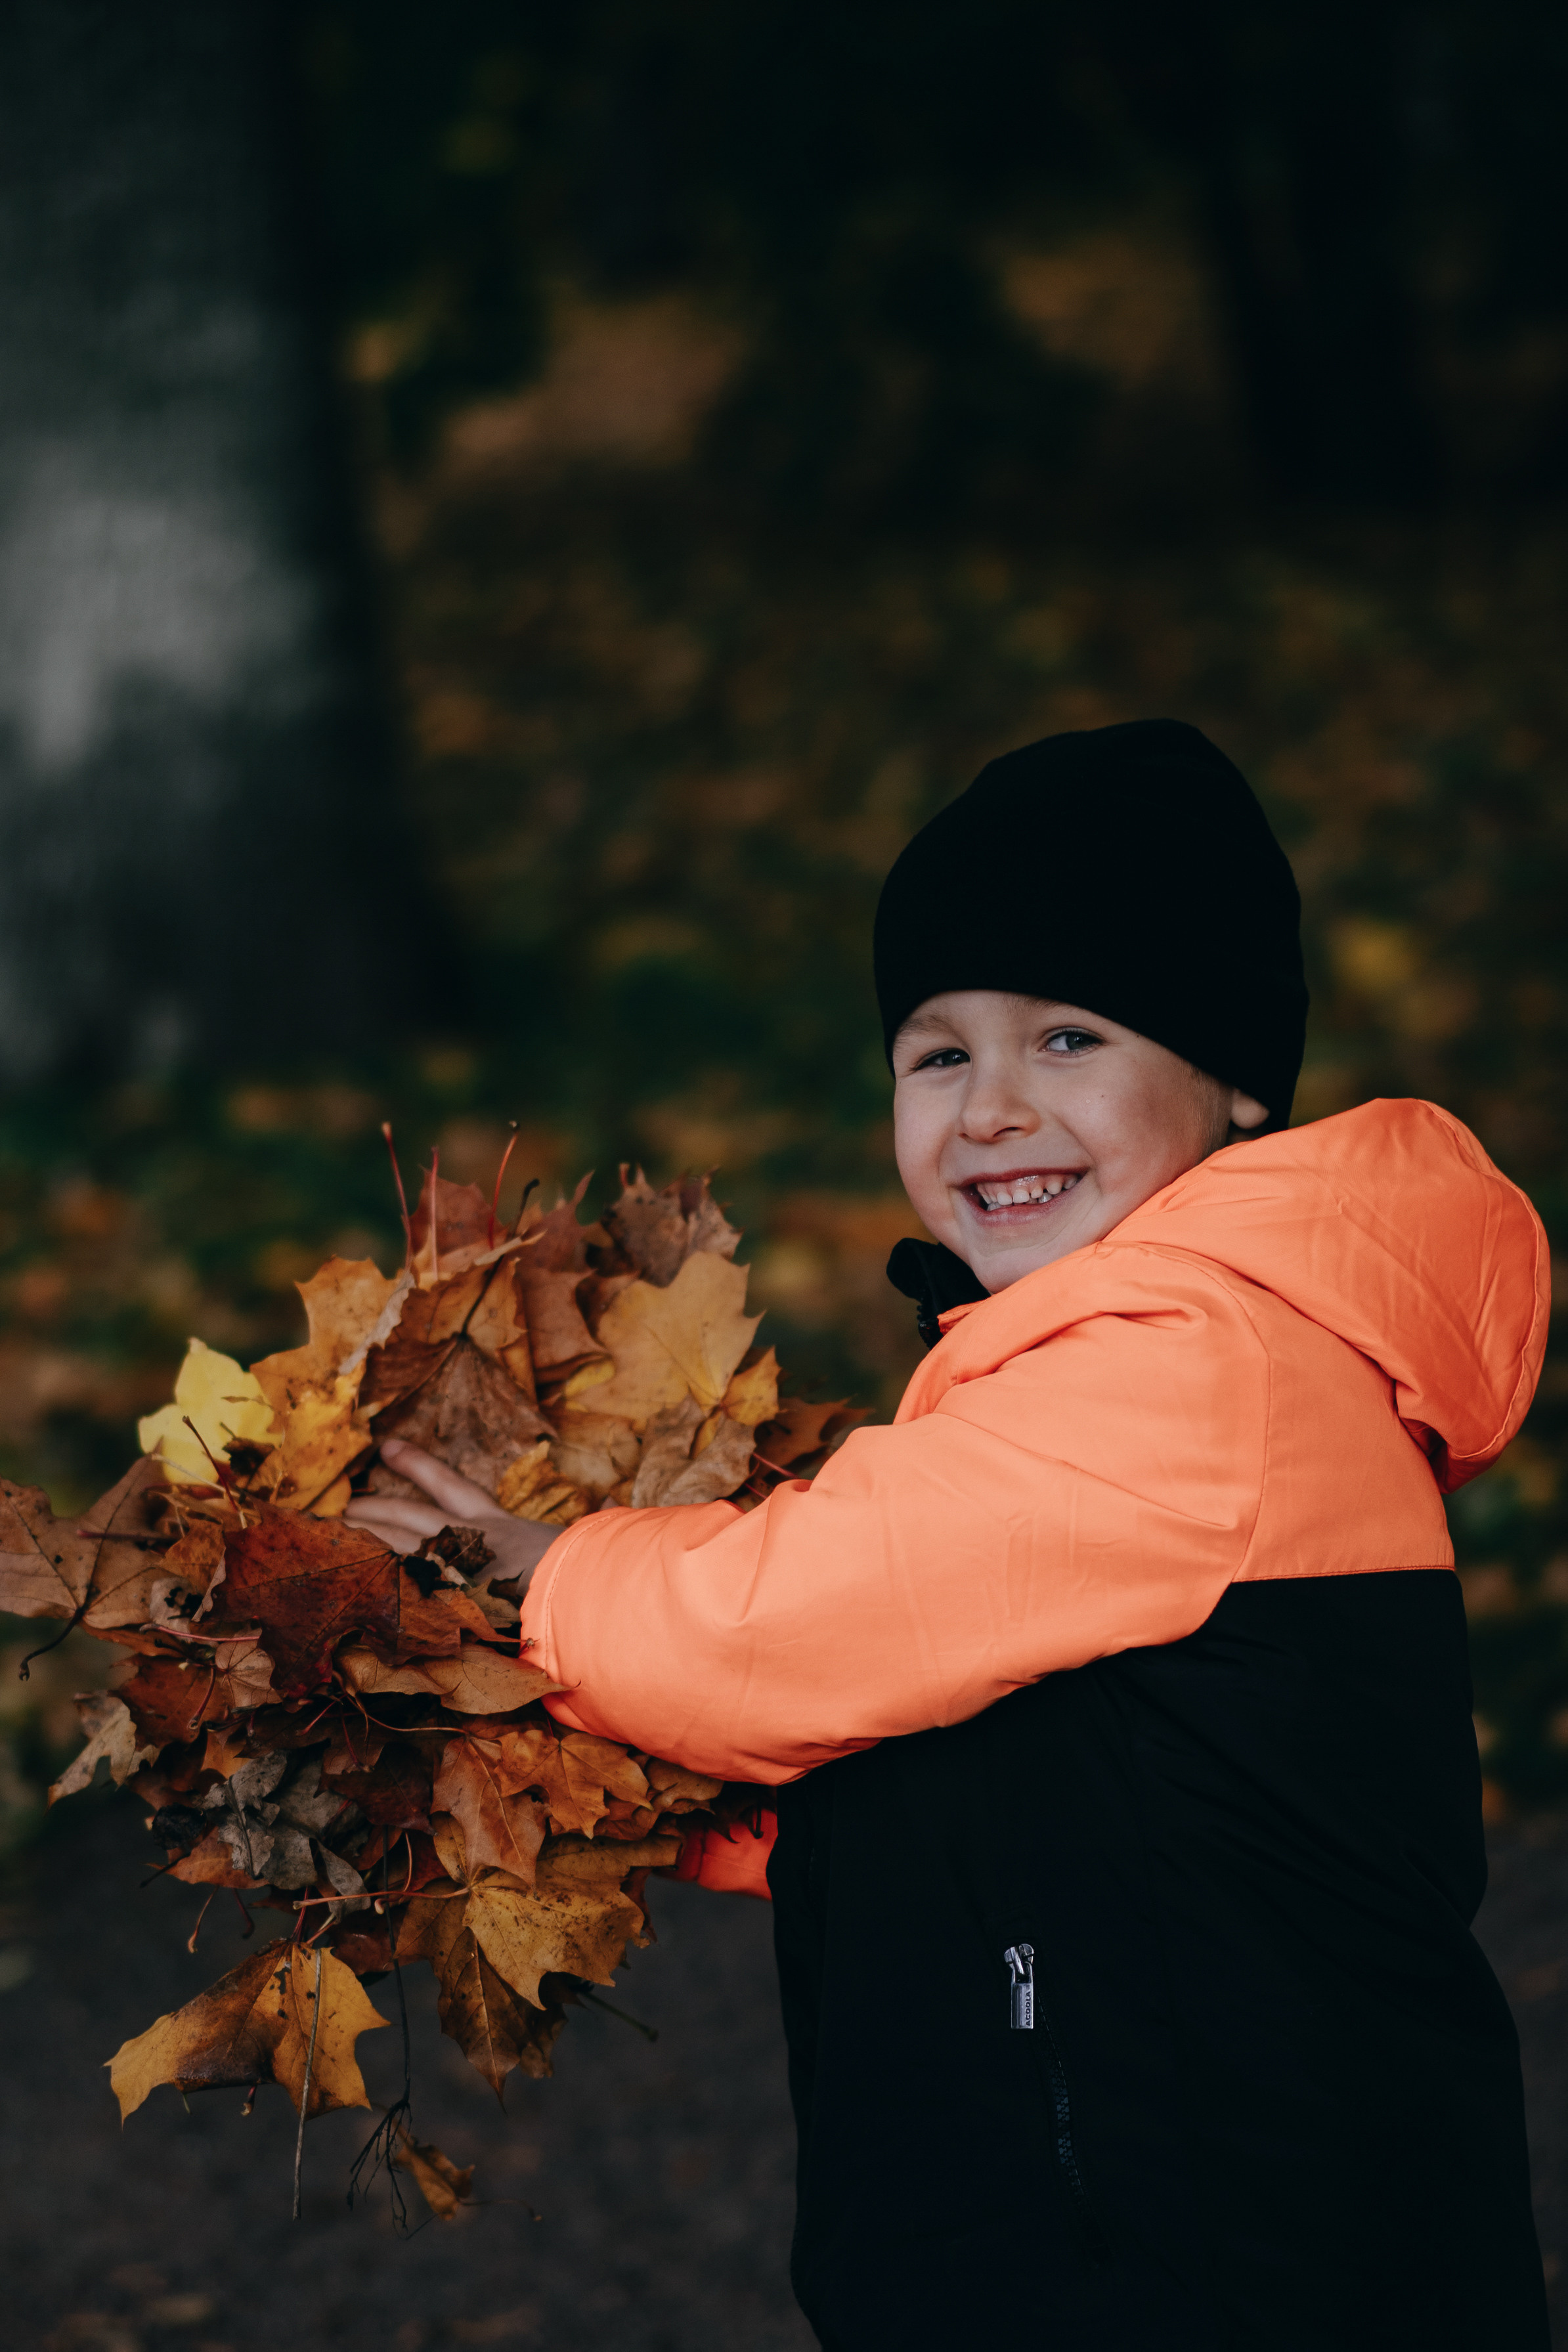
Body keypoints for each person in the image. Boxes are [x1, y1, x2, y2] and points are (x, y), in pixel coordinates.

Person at [348, 720, 1551, 2351]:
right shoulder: (1106, 1369)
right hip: (1143, 2208)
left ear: (1233, 1085)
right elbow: (1007, 1756)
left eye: (1067, 1039)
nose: (992, 1109)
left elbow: (788, 1626)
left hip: (1217, 2246)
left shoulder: (1203, 1363)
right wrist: (665, 1799)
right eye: (938, 1055)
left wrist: (538, 1576)